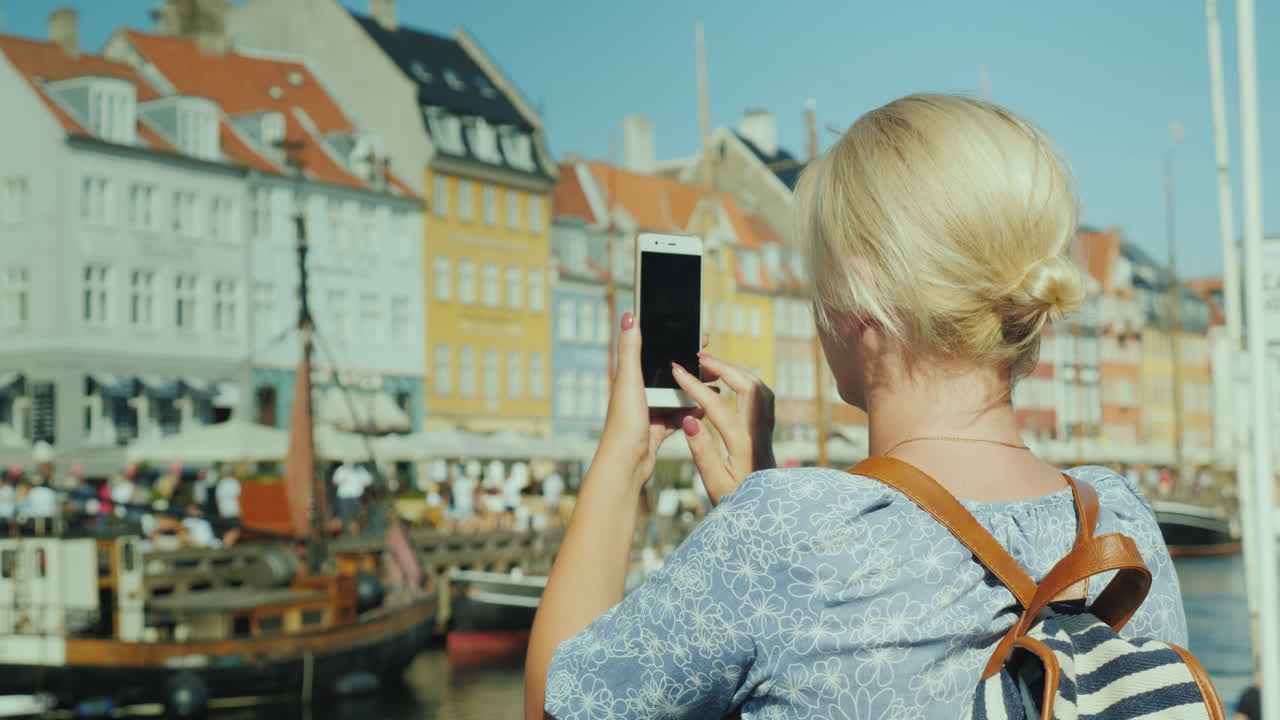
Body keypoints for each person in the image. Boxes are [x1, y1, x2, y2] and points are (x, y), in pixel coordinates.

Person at [525, 94, 1187, 718]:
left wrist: (626, 454)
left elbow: (557, 704)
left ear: (860, 293)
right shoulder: (1121, 528)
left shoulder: (782, 539)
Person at [332, 460, 368, 530]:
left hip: (357, 496)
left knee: (357, 514)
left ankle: (355, 531)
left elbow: (368, 481)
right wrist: (342, 480)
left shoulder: (361, 470)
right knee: (344, 515)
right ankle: (343, 531)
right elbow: (335, 481)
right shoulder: (341, 470)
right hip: (344, 496)